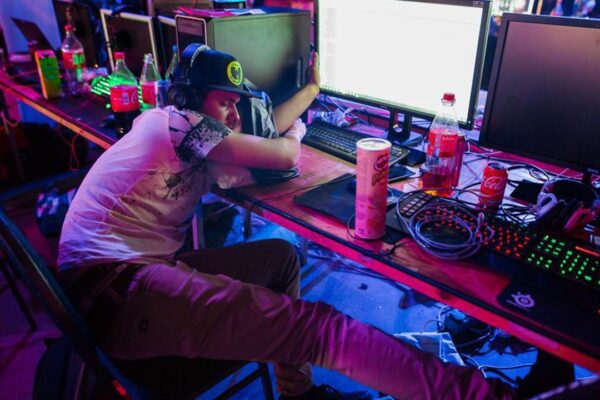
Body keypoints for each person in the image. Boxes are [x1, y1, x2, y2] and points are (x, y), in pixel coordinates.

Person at [58, 44, 518, 400]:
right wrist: (300, 132)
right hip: (117, 294)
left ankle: (297, 393)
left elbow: (266, 137)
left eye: (236, 105)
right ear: (191, 99)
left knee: (279, 258)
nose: (234, 115)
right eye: (225, 104)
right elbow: (282, 152)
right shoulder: (178, 126)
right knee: (322, 330)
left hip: (116, 281)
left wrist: (312, 90)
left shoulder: (184, 132)